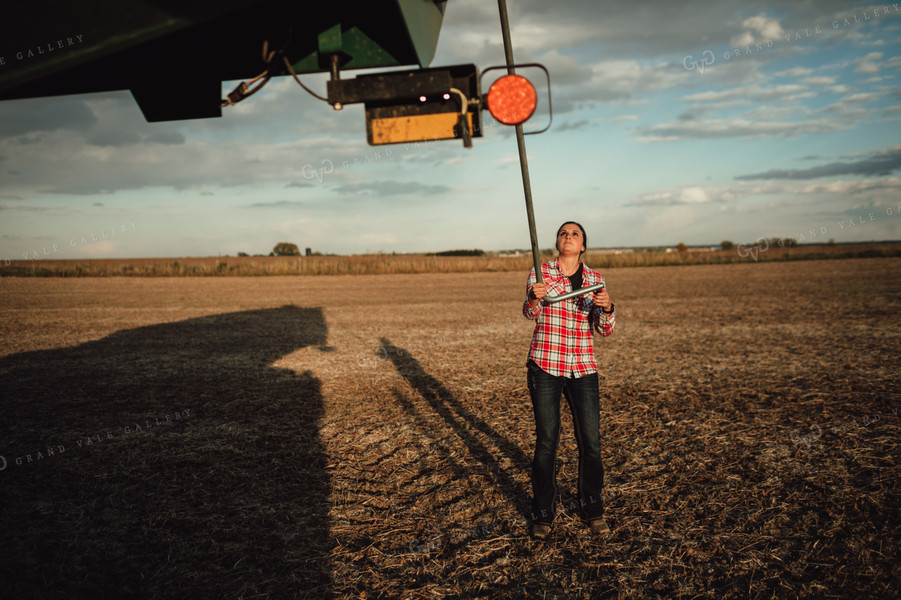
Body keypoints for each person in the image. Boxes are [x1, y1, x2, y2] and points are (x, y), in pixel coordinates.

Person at [522, 221, 615, 540]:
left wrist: (608, 308)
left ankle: (593, 510)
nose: (569, 237)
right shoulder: (540, 272)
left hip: (583, 368)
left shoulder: (595, 280)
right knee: (547, 441)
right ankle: (543, 514)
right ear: (557, 242)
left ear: (583, 245)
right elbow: (529, 313)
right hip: (545, 364)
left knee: (591, 443)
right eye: (563, 233)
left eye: (575, 234)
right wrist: (534, 299)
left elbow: (604, 330)